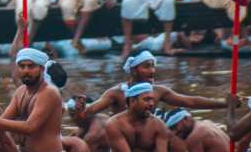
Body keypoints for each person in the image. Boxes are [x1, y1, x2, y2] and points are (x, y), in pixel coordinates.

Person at [75, 49, 228, 118]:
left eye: (153, 65)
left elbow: (191, 101)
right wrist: (82, 109)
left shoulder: (159, 91)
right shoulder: (117, 93)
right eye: (146, 66)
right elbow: (90, 110)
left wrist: (226, 104)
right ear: (134, 71)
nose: (152, 70)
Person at [99, 83, 167, 152]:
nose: (151, 103)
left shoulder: (158, 125)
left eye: (152, 99)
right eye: (147, 99)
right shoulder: (114, 124)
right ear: (132, 101)